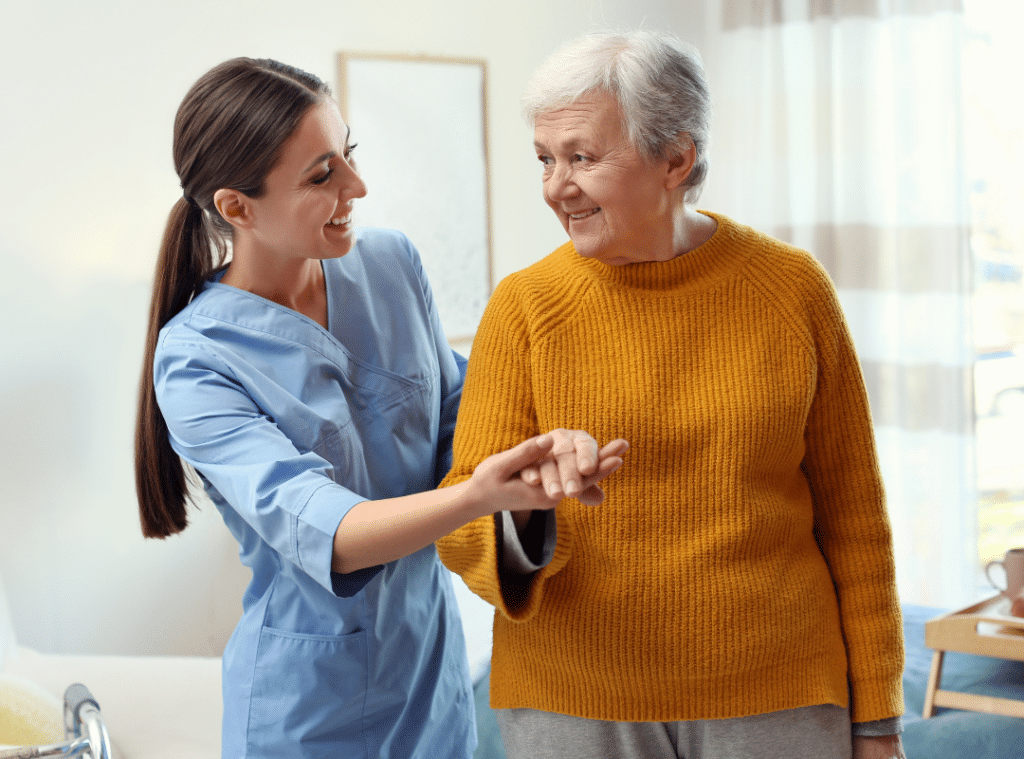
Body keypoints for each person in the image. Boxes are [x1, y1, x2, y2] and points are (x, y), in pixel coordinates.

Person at [133, 57, 625, 758]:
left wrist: (534, 462)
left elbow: (463, 419)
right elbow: (325, 528)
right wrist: (478, 494)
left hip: (431, 680)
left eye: (348, 154)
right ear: (236, 207)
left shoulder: (391, 265)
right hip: (307, 712)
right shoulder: (197, 359)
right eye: (321, 175)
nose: (357, 187)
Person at [437, 31, 906, 759]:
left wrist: (878, 721)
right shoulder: (523, 306)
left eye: (582, 157)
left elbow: (855, 517)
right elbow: (462, 521)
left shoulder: (792, 289)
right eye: (545, 159)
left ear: (676, 159)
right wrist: (529, 501)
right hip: (574, 703)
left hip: (777, 693)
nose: (556, 185)